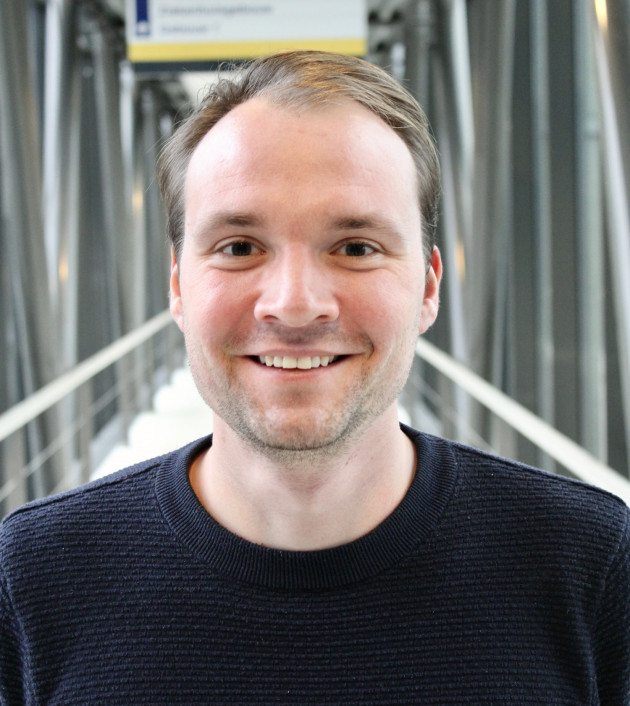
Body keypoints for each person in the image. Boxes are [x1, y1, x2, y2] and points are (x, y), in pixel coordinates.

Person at [0, 50, 628, 704]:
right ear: (179, 287)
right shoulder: (36, 579)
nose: (295, 304)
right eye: (239, 247)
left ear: (428, 288)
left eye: (356, 248)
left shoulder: (588, 565)